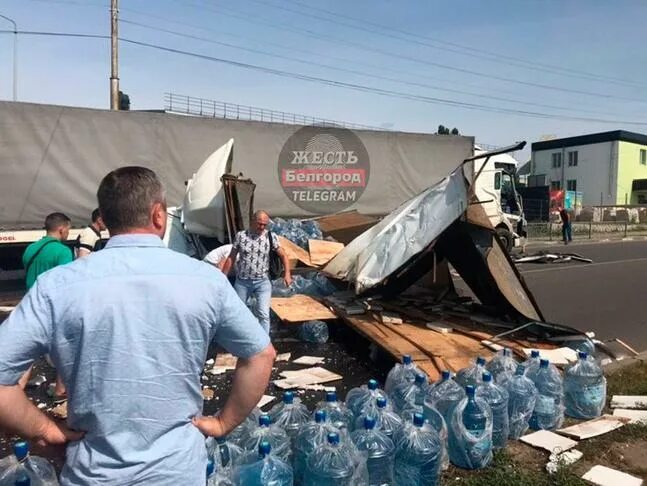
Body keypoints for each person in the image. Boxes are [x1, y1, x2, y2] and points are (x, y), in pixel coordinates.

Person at [0, 167, 276, 485]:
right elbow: (261, 355)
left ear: (105, 217)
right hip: (178, 472)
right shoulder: (205, 280)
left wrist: (45, 428)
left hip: (93, 474)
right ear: (158, 215)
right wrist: (223, 423)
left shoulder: (57, 286)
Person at [222, 210, 292, 335]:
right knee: (238, 312)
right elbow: (231, 257)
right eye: (259, 224)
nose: (262, 227)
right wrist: (222, 277)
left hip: (262, 282)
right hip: (242, 282)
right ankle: (242, 339)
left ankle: (264, 344)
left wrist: (287, 273)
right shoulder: (241, 236)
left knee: (263, 313)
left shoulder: (271, 236)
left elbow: (283, 255)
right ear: (252, 221)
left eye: (264, 225)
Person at [22, 212, 72, 290]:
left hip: (31, 298)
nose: (68, 233)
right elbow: (65, 281)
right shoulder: (64, 251)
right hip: (51, 299)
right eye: (68, 229)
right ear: (61, 230)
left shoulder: (30, 248)